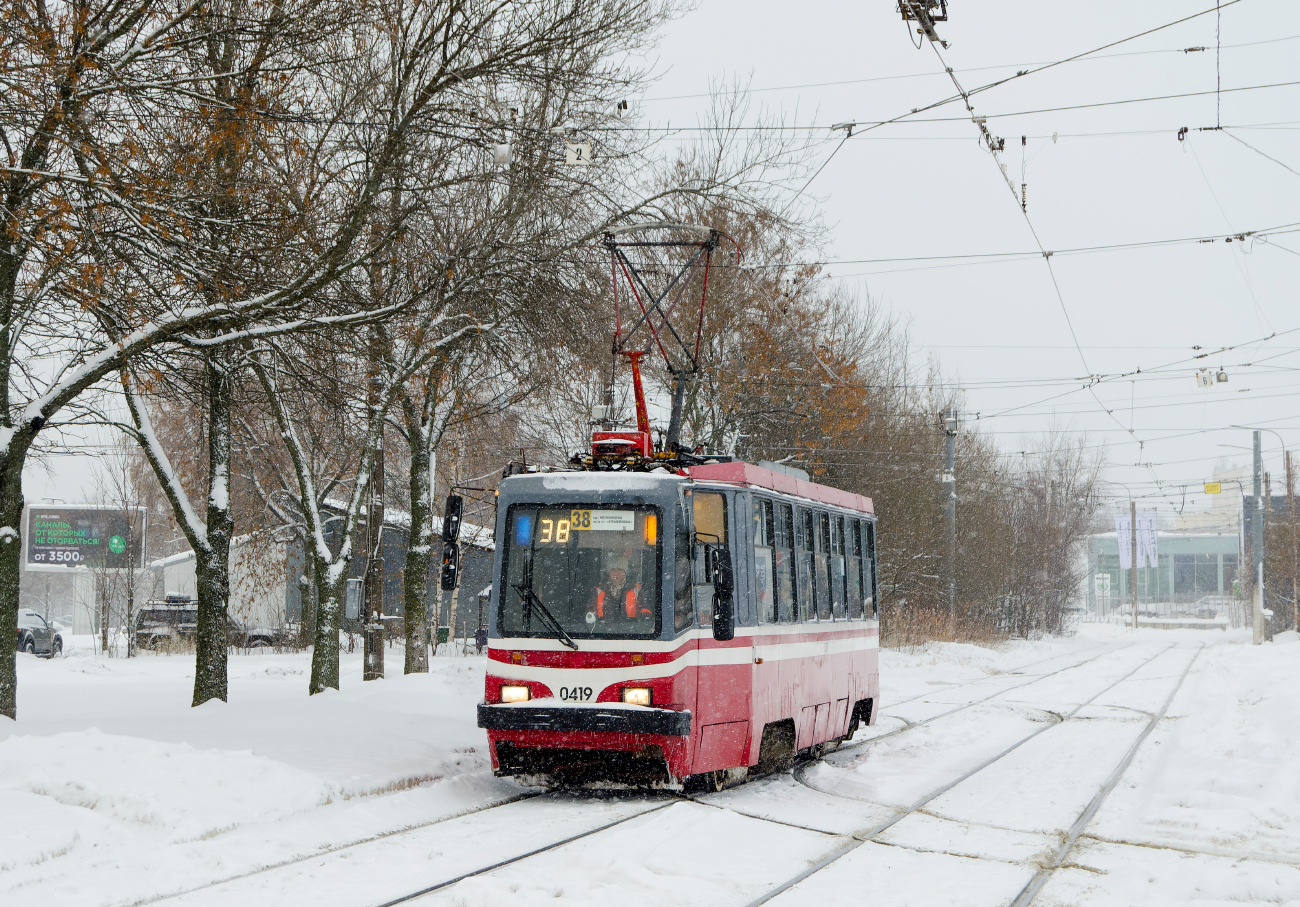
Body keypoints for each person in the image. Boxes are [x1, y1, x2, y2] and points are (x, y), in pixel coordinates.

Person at [594, 553, 651, 622]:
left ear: (625, 572)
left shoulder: (636, 589)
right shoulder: (598, 590)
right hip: (604, 626)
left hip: (631, 626)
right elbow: (591, 610)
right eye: (612, 569)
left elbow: (644, 606)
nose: (616, 573)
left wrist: (645, 616)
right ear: (608, 572)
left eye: (619, 569)